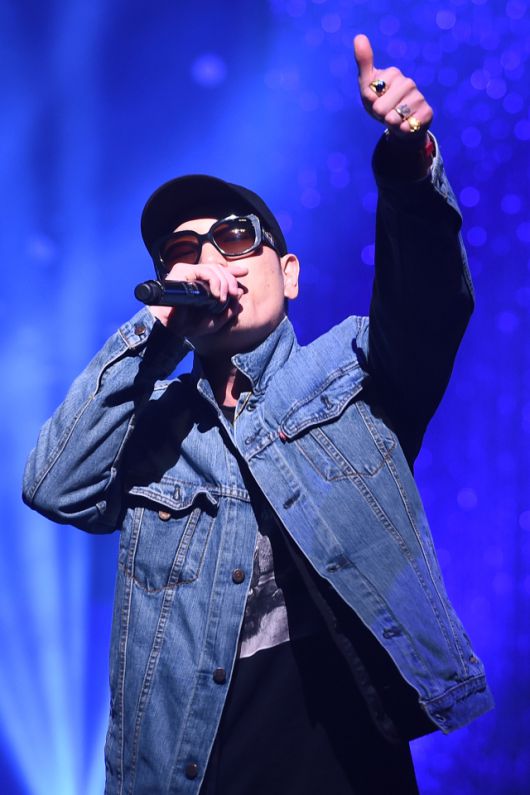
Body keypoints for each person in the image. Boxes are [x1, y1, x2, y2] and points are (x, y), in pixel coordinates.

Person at [23, 34, 493, 795]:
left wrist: (408, 162)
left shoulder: (355, 368)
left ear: (289, 273)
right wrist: (156, 333)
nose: (211, 260)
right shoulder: (155, 430)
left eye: (236, 237)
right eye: (183, 250)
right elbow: (54, 487)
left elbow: (432, 297)